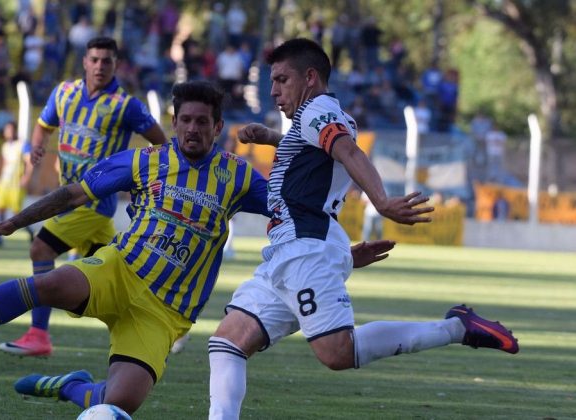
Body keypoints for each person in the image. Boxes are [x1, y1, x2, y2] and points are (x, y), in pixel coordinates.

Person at [0, 80, 394, 416]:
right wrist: (13, 222)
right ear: (175, 121)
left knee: (118, 405)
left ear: (217, 127)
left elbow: (294, 219)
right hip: (119, 270)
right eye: (186, 120)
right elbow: (73, 193)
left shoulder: (239, 177)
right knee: (50, 282)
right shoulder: (144, 162)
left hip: (164, 313)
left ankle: (74, 386)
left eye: (204, 122)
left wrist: (341, 255)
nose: (194, 129)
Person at [206, 38, 520, 420]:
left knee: (337, 353)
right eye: (272, 81)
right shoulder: (318, 115)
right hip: (292, 250)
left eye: (281, 80)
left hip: (304, 247)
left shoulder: (316, 109)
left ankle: (457, 328)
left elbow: (348, 152)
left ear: (310, 78)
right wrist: (274, 139)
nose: (273, 91)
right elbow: (318, 154)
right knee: (227, 342)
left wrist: (383, 202)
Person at [0, 36, 167, 357]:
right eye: (95, 59)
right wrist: (38, 146)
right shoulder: (64, 93)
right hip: (68, 198)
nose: (100, 66)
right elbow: (43, 124)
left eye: (107, 60)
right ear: (85, 62)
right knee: (114, 283)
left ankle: (38, 334)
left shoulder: (126, 105)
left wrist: (141, 178)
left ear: (116, 64)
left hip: (93, 202)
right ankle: (153, 328)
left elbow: (161, 144)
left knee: (40, 248)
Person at [0, 121, 35, 247]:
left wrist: (27, 177)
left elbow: (30, 162)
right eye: (6, 130)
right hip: (4, 183)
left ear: (15, 130)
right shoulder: (5, 146)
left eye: (10, 129)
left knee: (17, 213)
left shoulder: (23, 145)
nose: (8, 132)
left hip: (16, 184)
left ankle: (30, 232)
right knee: (0, 209)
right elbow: (5, 164)